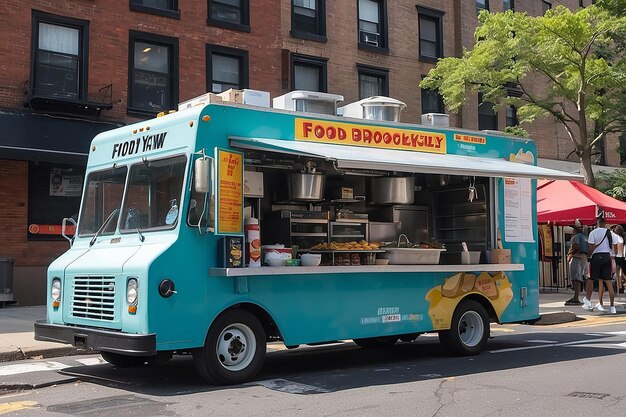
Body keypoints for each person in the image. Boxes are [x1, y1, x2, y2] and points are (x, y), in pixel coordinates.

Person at [583, 211, 617, 314]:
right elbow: (615, 248)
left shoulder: (593, 232)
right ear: (605, 223)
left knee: (591, 278)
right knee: (609, 282)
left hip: (597, 257)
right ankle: (612, 307)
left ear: (598, 222)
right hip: (607, 257)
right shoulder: (611, 233)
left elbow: (590, 247)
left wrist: (589, 256)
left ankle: (588, 300)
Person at [565, 219, 587, 306]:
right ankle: (575, 297)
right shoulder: (584, 236)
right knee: (578, 278)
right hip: (582, 257)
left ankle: (576, 297)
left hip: (576, 257)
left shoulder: (576, 237)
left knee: (575, 278)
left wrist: (570, 253)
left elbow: (576, 246)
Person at [612, 225, 625, 293]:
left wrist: (615, 254)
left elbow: (615, 249)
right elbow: (622, 250)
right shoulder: (622, 238)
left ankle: (619, 287)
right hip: (622, 257)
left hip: (617, 257)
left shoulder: (615, 237)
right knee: (622, 273)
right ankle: (621, 286)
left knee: (617, 273)